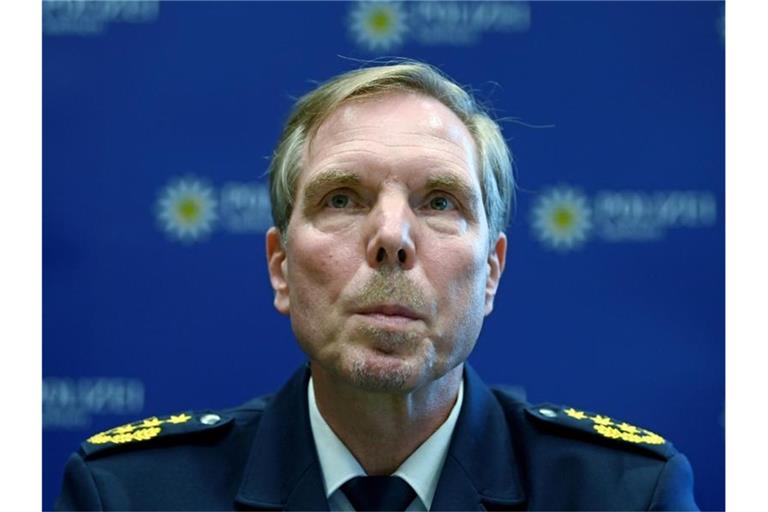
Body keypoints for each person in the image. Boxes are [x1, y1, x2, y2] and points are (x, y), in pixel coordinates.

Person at [56, 61, 698, 511]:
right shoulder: (128, 496)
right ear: (280, 267)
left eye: (441, 201)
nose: (392, 236)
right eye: (342, 198)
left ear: (492, 274)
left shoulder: (624, 494)